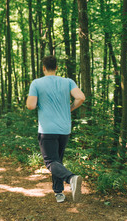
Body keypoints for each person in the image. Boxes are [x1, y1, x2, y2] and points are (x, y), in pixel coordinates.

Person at [26, 55, 85, 203]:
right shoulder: (68, 82)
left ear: (43, 68)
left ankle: (71, 178)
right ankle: (58, 192)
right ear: (57, 67)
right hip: (64, 129)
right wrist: (69, 109)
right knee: (57, 161)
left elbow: (31, 105)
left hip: (47, 129)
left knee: (51, 162)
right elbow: (81, 98)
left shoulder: (36, 83)